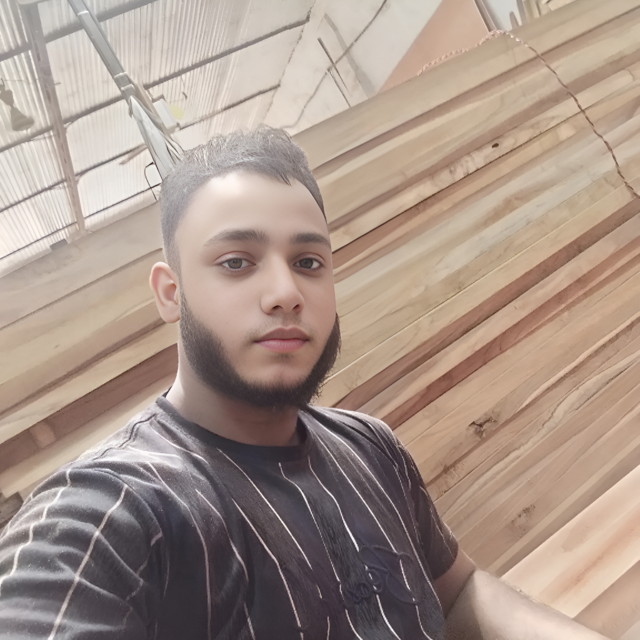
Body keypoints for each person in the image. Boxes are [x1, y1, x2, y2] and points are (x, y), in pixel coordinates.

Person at [0, 129, 608, 640]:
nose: (286, 292)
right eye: (236, 262)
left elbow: (459, 592)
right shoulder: (107, 513)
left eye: (308, 262)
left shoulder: (370, 447)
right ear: (171, 293)